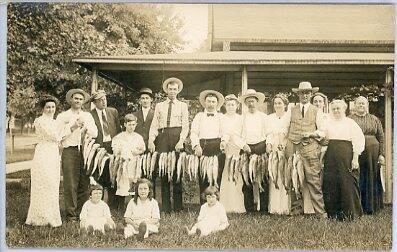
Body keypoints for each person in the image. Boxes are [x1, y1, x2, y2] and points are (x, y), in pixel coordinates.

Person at [285, 82, 327, 218]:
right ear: (298, 94)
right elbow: (284, 129)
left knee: (313, 180)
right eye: (302, 93)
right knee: (294, 178)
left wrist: (311, 134)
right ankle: (296, 211)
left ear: (311, 94)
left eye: (308, 93)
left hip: (310, 148)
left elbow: (322, 131)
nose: (305, 95)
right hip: (293, 147)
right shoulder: (291, 110)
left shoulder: (317, 111)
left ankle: (320, 213)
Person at [56, 89, 98, 222]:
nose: (78, 101)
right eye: (75, 98)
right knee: (70, 183)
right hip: (70, 150)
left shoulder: (88, 116)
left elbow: (95, 133)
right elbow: (58, 136)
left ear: (83, 101)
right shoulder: (63, 116)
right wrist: (73, 127)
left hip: (85, 151)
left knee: (84, 182)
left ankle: (81, 213)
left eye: (80, 99)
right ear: (71, 100)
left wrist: (86, 128)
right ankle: (71, 214)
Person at [148, 77, 189, 212]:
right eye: (170, 89)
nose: (172, 91)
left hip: (177, 136)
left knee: (177, 171)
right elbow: (154, 125)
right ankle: (165, 206)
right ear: (166, 90)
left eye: (174, 89)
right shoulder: (160, 106)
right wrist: (151, 140)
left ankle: (178, 207)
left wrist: (181, 141)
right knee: (164, 170)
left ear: (178, 91)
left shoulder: (183, 106)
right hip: (163, 137)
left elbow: (185, 126)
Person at [322, 100, 364, 221]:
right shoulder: (328, 123)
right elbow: (322, 135)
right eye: (333, 109)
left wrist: (355, 159)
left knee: (347, 182)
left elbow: (358, 141)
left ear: (344, 109)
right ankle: (334, 213)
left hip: (346, 155)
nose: (336, 111)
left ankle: (351, 213)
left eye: (338, 109)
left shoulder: (350, 123)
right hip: (331, 155)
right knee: (331, 182)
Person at [25, 95, 62, 227]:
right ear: (43, 108)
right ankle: (39, 217)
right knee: (43, 182)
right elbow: (55, 136)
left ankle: (51, 216)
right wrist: (72, 127)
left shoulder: (54, 121)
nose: (51, 109)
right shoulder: (40, 121)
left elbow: (58, 136)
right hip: (43, 153)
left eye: (53, 107)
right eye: (48, 107)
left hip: (53, 153)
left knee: (53, 183)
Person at [349, 96, 385, 214]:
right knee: (358, 176)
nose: (361, 105)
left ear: (367, 105)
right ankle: (358, 206)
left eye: (363, 103)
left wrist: (382, 154)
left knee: (371, 176)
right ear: (354, 105)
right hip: (355, 152)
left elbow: (381, 138)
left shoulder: (374, 119)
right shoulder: (350, 119)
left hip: (372, 153)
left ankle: (372, 207)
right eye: (358, 103)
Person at [191, 90, 225, 204]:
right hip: (203, 147)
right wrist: (196, 146)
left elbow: (225, 132)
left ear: (217, 103)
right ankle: (204, 205)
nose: (211, 104)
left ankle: (217, 204)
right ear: (205, 103)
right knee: (204, 177)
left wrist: (224, 142)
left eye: (213, 102)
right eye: (209, 101)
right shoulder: (199, 116)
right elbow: (194, 132)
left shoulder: (221, 117)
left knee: (217, 176)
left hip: (217, 147)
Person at [89, 90, 122, 208]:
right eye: (100, 100)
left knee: (113, 174)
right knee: (100, 174)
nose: (103, 102)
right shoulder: (90, 115)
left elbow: (118, 131)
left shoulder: (113, 112)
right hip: (98, 148)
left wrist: (119, 147)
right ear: (95, 102)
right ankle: (98, 204)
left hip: (113, 146)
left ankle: (113, 205)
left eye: (105, 99)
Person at [238, 89, 269, 213]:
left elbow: (269, 133)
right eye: (248, 101)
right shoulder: (241, 118)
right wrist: (243, 145)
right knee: (247, 179)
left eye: (253, 101)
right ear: (245, 103)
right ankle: (249, 209)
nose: (251, 104)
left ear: (258, 102)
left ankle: (264, 209)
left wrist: (269, 144)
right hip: (246, 148)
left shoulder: (264, 117)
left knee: (263, 178)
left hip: (261, 147)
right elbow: (235, 135)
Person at [219, 94, 246, 213]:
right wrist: (224, 142)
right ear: (225, 106)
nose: (230, 107)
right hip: (226, 148)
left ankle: (237, 206)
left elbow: (242, 134)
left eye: (233, 105)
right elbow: (223, 133)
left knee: (237, 175)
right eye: (228, 104)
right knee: (227, 173)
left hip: (238, 148)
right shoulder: (222, 118)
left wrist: (240, 144)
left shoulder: (241, 118)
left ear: (237, 106)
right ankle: (226, 205)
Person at [266, 94, 291, 215]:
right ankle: (275, 207)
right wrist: (269, 144)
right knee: (275, 174)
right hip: (274, 147)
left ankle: (285, 207)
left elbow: (288, 132)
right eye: (275, 103)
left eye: (280, 103)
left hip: (285, 146)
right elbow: (269, 133)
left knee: (285, 174)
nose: (277, 105)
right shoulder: (270, 118)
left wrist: (283, 143)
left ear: (285, 104)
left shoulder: (289, 116)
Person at [112, 114, 146, 198]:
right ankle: (121, 206)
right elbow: (115, 151)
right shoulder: (119, 137)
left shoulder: (138, 137)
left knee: (134, 183)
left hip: (134, 164)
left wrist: (137, 152)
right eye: (129, 124)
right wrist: (120, 152)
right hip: (123, 164)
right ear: (125, 125)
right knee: (122, 184)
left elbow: (143, 149)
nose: (131, 127)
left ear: (136, 125)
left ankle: (134, 203)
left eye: (133, 125)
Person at [133, 88, 156, 195]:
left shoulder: (156, 114)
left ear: (151, 100)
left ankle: (151, 199)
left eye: (147, 98)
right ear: (139, 101)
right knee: (139, 172)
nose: (145, 100)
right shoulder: (135, 115)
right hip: (138, 149)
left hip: (152, 147)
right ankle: (138, 199)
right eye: (143, 98)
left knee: (151, 173)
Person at [311, 92, 329, 167]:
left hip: (324, 147)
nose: (318, 104)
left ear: (324, 104)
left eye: (320, 101)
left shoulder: (328, 117)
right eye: (315, 101)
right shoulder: (308, 117)